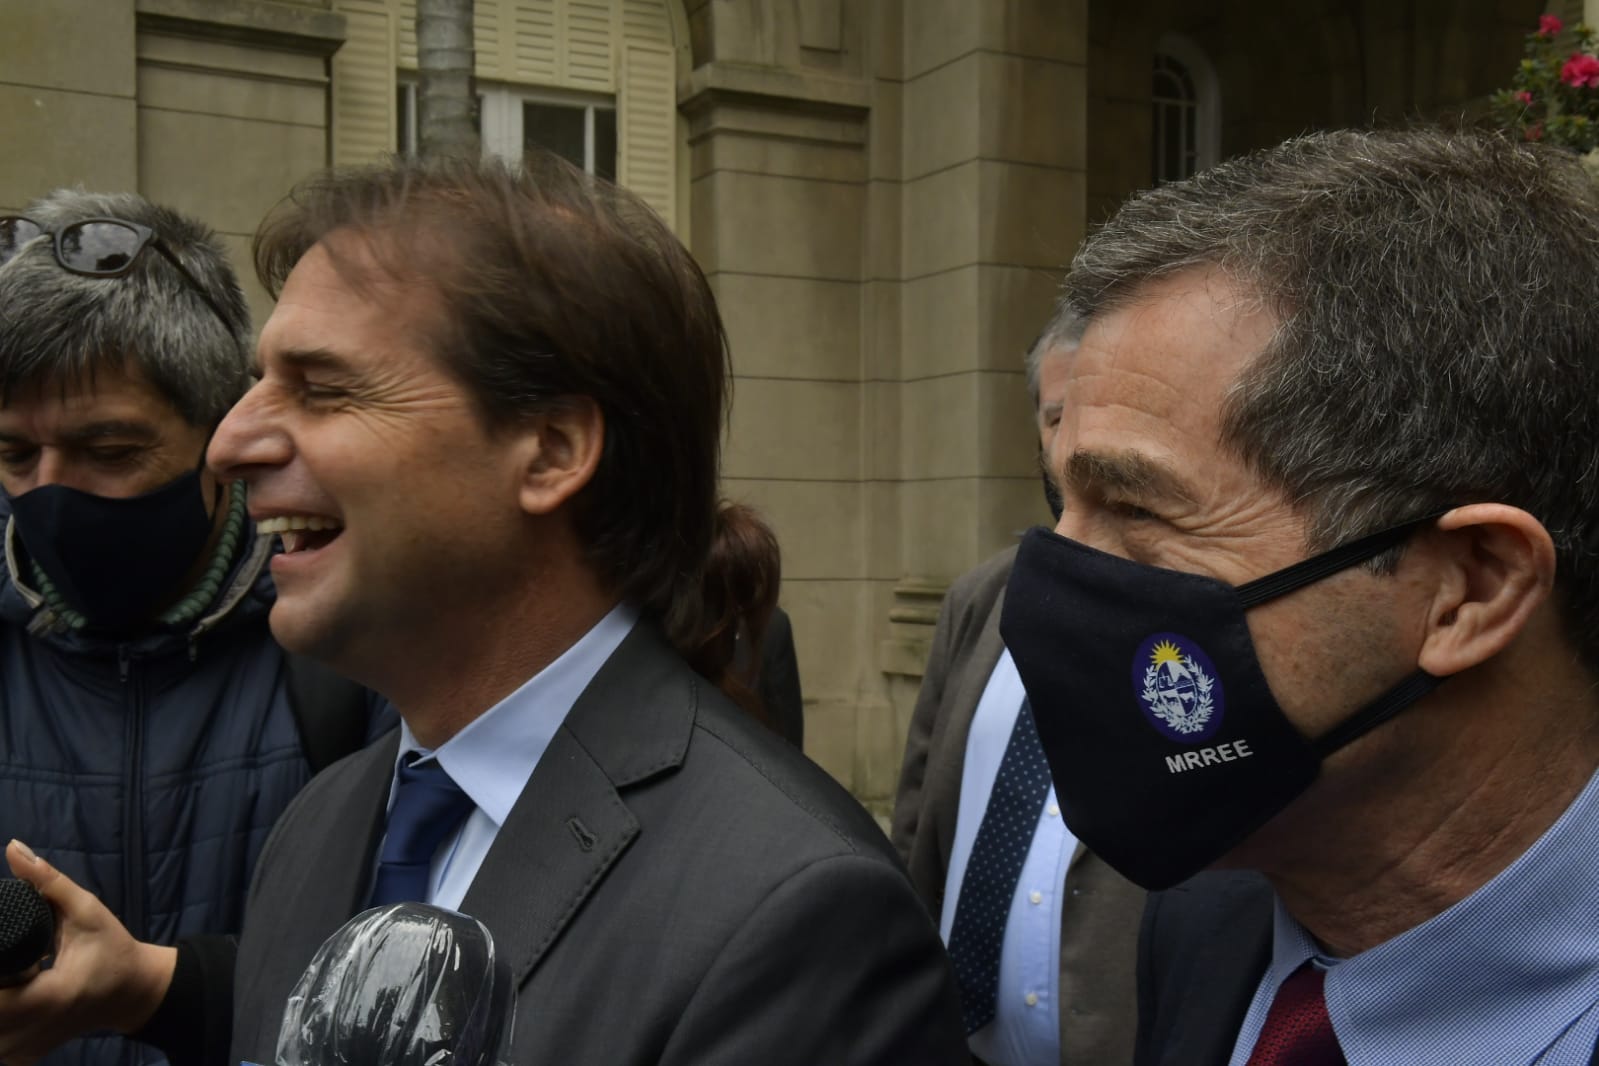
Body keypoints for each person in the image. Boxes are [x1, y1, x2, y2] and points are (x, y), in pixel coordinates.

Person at [0, 155, 968, 1066]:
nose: (231, 441)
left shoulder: (798, 913)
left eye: (321, 388)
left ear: (549, 450)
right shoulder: (321, 828)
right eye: (260, 382)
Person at [999, 126, 1599, 1065]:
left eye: (1133, 507)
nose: (1052, 583)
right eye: (1060, 502)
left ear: (1471, 587)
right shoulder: (1202, 917)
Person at [0, 194, 384, 1066]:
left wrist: (163, 993)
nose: (49, 498)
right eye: (16, 455)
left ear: (225, 438)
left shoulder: (354, 648)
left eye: (109, 451)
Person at [891, 308, 1144, 1066]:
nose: (1075, 444)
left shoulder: (1188, 618)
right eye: (1057, 416)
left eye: (1098, 417)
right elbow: (916, 820)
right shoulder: (979, 600)